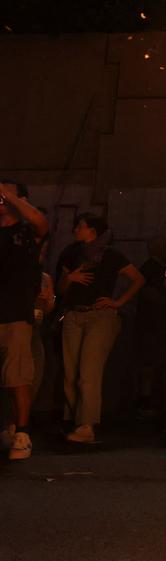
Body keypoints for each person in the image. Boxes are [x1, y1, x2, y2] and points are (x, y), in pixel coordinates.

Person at [55, 214, 145, 445]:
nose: (76, 229)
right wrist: (71, 278)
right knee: (70, 372)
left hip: (100, 316)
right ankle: (73, 419)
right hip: (74, 313)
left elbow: (137, 279)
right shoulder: (71, 253)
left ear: (92, 231)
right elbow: (60, 288)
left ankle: (86, 425)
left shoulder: (111, 255)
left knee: (89, 371)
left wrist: (118, 302)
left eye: (80, 226)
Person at [1, 180, 49, 461]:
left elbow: (41, 222)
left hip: (16, 313)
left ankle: (22, 432)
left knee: (18, 375)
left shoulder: (25, 232)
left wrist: (9, 196)